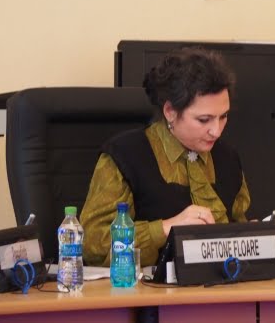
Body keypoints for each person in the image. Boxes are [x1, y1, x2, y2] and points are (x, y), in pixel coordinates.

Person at [81, 47, 251, 267]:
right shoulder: (125, 156)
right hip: (143, 286)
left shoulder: (228, 158)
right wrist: (164, 228)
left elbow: (239, 228)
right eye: (204, 120)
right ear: (170, 111)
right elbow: (91, 244)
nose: (216, 131)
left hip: (217, 283)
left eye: (223, 116)